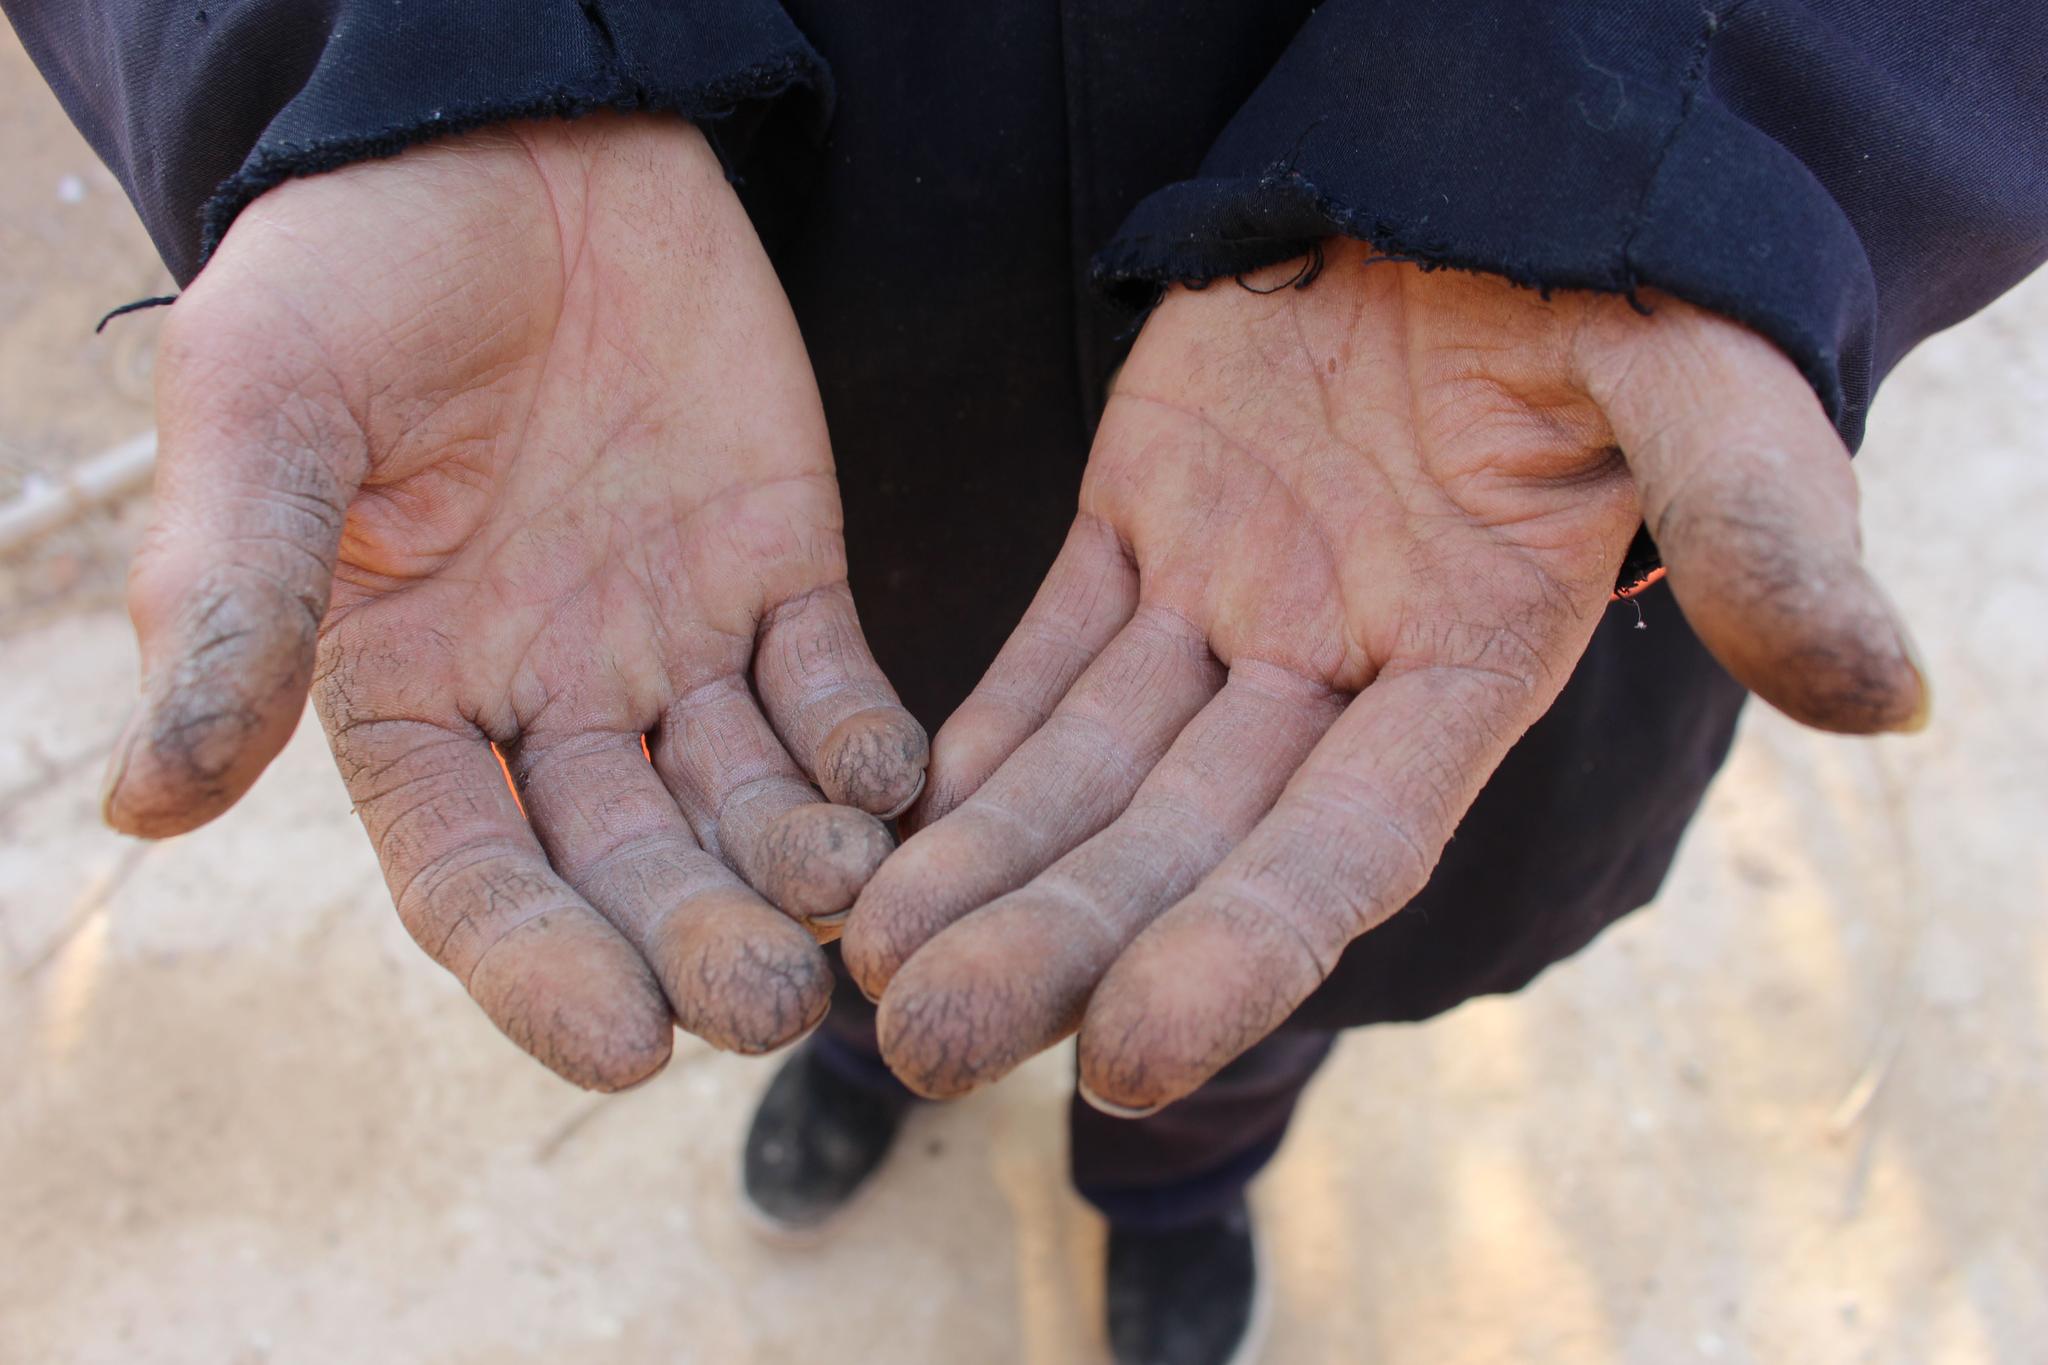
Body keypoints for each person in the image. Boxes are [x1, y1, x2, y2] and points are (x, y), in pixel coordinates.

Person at [8, 2, 2041, 1361]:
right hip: (715, 364)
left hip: (1450, 409)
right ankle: (862, 1058)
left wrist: (1647, 131)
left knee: (1265, 943)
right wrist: (406, 58)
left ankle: (1183, 1175)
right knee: (820, 877)